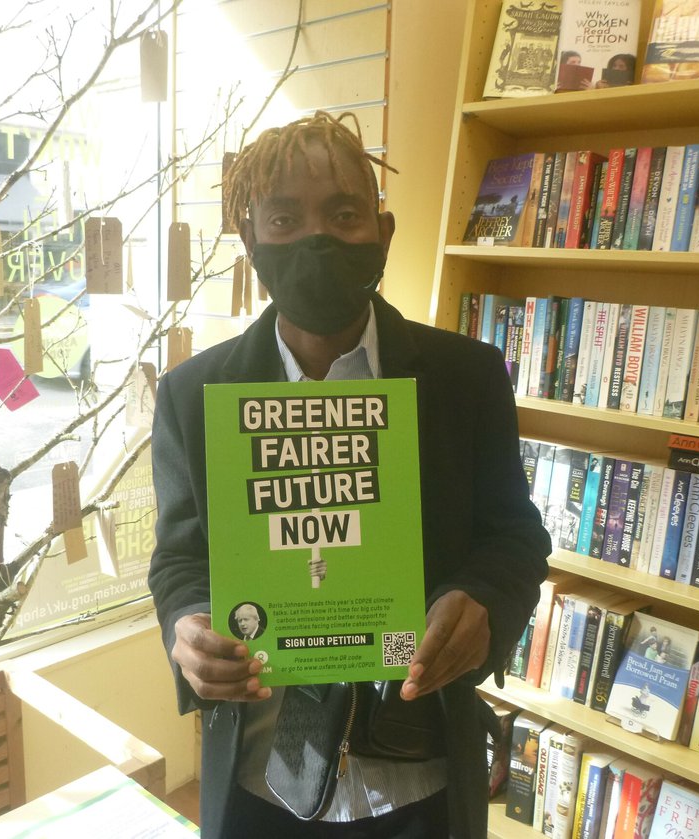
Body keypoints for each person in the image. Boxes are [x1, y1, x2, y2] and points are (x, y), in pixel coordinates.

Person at [148, 111, 551, 838]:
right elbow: (179, 556)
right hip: (257, 787)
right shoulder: (191, 398)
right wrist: (187, 626)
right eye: (284, 217)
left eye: (343, 213)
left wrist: (483, 600)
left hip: (418, 785)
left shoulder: (467, 378)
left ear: (383, 233)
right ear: (252, 242)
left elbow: (516, 538)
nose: (317, 238)